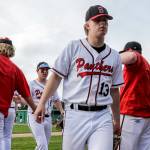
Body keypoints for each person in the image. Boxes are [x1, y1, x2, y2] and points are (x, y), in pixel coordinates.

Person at [34, 5, 124, 150]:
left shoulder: (114, 56)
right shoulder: (74, 47)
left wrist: (117, 121)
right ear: (87, 25)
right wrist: (42, 103)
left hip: (102, 115)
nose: (103, 23)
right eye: (98, 20)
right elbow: (56, 77)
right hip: (75, 115)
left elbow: (114, 91)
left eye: (105, 20)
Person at [0, 37, 36, 149]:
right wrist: (36, 109)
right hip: (7, 110)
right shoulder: (15, 69)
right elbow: (27, 95)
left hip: (6, 109)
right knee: (6, 137)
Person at [119, 41, 150, 150]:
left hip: (131, 114)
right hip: (145, 117)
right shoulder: (147, 65)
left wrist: (109, 58)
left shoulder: (137, 59)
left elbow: (132, 57)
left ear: (129, 50)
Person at [27, 62, 64, 150]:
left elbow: (56, 100)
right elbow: (27, 99)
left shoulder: (51, 84)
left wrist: (62, 111)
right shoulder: (31, 84)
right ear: (37, 71)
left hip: (48, 117)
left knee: (44, 145)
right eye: (42, 70)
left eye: (46, 70)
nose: (45, 72)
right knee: (42, 145)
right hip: (35, 116)